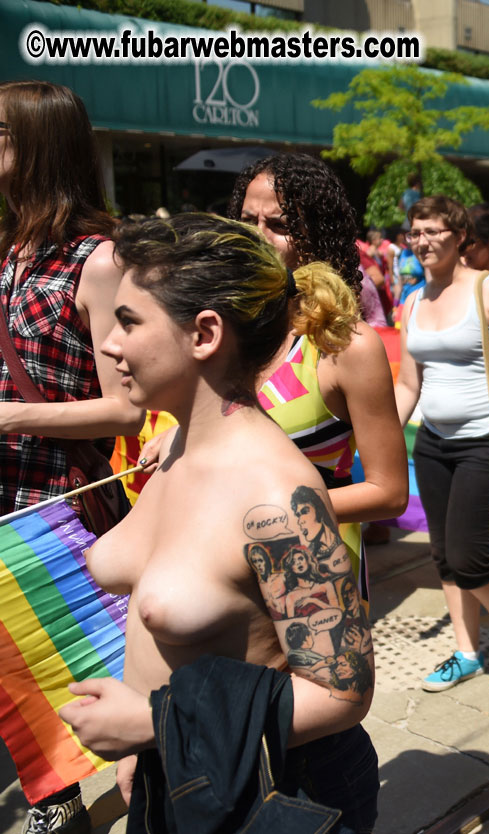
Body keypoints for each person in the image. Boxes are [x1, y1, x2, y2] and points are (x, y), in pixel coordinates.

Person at [59, 213, 378, 830]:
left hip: (271, 792)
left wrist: (155, 723)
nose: (109, 344)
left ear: (205, 333)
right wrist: (153, 746)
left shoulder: (275, 500)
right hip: (185, 774)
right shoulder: (177, 446)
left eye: (129, 321)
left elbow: (343, 693)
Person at [0, 80, 145, 834]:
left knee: (67, 669)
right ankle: (53, 805)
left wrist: (14, 416)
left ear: (38, 144)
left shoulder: (98, 258)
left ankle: (84, 804)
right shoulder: (11, 249)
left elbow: (127, 407)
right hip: (7, 497)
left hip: (57, 504)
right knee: (15, 676)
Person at [226, 153, 409, 600]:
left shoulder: (346, 345)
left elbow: (388, 493)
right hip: (227, 570)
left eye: (279, 225)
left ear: (315, 238)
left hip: (316, 585)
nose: (258, 236)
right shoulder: (226, 331)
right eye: (247, 221)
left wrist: (265, 513)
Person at [394, 196, 489, 692]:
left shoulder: (488, 289)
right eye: (415, 233)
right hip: (432, 444)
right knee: (443, 557)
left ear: (459, 237)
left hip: (484, 443)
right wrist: (381, 438)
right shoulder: (412, 300)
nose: (422, 241)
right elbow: (408, 383)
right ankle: (467, 651)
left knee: (471, 558)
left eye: (433, 231)